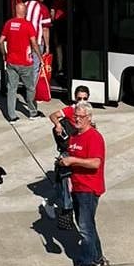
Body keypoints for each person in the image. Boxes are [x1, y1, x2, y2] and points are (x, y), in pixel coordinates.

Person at [57, 102, 106, 266]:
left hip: (89, 188)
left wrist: (72, 161)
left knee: (84, 228)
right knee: (88, 225)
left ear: (89, 118)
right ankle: (97, 257)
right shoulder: (74, 137)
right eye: (75, 116)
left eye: (81, 117)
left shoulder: (94, 137)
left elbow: (95, 163)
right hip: (76, 187)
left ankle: (84, 265)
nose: (77, 119)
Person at [44, 85, 91, 223]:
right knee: (66, 182)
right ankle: (67, 210)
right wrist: (58, 125)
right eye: (79, 98)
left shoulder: (88, 111)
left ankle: (51, 202)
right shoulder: (71, 109)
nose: (81, 101)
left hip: (79, 150)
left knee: (67, 184)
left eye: (84, 98)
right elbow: (53, 115)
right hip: (67, 150)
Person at [0, 1, 42, 122]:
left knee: (12, 89)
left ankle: (12, 116)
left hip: (11, 62)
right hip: (25, 63)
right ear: (25, 12)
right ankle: (32, 112)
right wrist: (40, 57)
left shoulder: (9, 23)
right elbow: (34, 43)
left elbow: (0, 41)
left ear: (15, 12)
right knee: (30, 88)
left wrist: (4, 54)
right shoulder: (28, 25)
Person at [25, 0, 53, 82]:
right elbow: (45, 29)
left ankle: (26, 86)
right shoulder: (43, 8)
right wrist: (47, 46)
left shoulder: (25, 5)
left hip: (24, 42)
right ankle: (31, 92)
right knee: (35, 67)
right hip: (37, 42)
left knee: (24, 66)